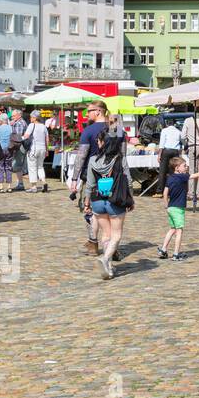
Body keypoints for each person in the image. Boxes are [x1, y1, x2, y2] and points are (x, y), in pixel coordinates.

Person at [85, 115, 134, 279]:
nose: (97, 143)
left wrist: (86, 202)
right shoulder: (120, 159)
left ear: (103, 143)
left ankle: (109, 267)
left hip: (97, 200)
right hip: (116, 200)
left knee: (105, 235)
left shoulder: (93, 160)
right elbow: (129, 181)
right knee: (116, 235)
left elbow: (90, 184)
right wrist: (131, 199)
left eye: (99, 140)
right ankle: (105, 258)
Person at [71, 103, 110, 255]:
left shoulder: (88, 130)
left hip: (91, 176)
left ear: (99, 111)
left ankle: (93, 243)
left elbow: (81, 156)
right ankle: (112, 246)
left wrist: (74, 178)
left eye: (89, 111)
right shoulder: (117, 130)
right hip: (112, 176)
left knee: (89, 210)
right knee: (111, 212)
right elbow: (123, 155)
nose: (87, 114)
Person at [158, 155, 189, 261]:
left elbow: (165, 192)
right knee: (179, 230)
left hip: (170, 207)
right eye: (184, 166)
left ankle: (163, 249)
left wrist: (166, 205)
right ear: (177, 168)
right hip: (178, 208)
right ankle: (176, 254)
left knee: (172, 229)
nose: (186, 168)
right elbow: (197, 174)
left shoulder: (170, 177)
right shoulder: (183, 177)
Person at [23, 110, 50, 193]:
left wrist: (20, 138)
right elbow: (47, 139)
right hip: (42, 149)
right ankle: (44, 182)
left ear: (35, 118)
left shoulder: (32, 125)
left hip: (33, 149)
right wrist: (47, 150)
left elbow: (26, 136)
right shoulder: (44, 126)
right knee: (40, 167)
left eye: (31, 117)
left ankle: (34, 187)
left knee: (32, 168)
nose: (30, 118)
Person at [157, 115, 182, 194]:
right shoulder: (179, 131)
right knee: (174, 171)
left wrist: (159, 155)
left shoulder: (164, 130)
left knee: (162, 171)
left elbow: (161, 144)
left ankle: (160, 190)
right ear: (174, 124)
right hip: (175, 151)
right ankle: (173, 189)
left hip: (166, 151)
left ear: (167, 124)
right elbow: (181, 144)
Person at [0, 113, 13, 190]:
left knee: (0, 167)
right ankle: (9, 186)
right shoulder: (10, 128)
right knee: (8, 167)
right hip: (9, 149)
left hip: (0, 149)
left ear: (1, 121)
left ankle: (1, 186)